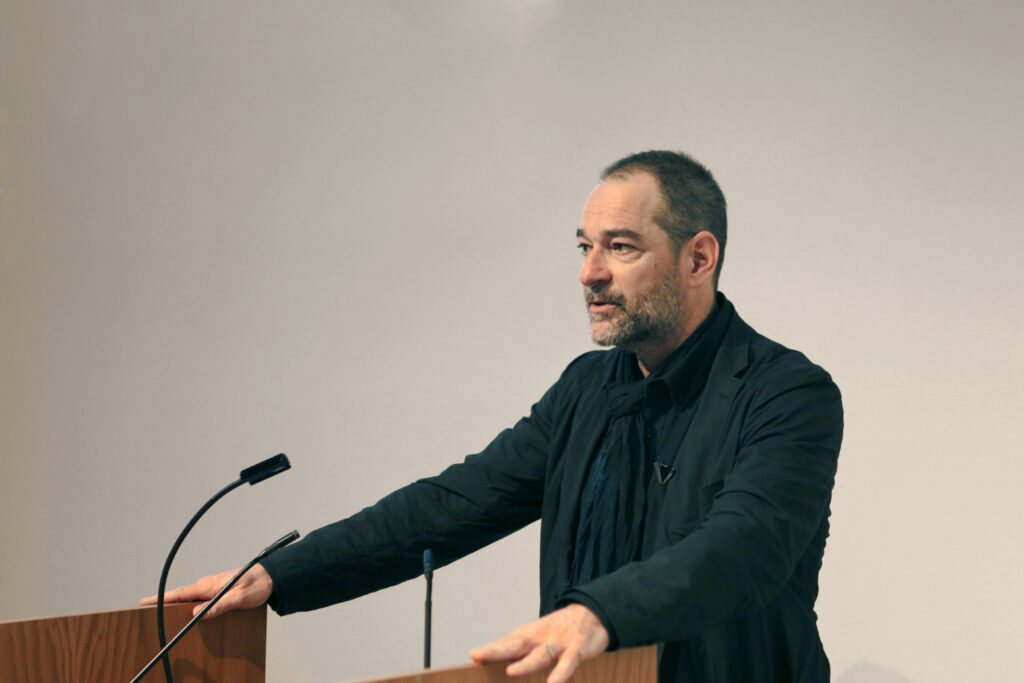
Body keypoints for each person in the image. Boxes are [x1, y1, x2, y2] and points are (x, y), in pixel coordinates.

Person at [144, 150, 843, 683]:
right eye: (585, 246)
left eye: (620, 246)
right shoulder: (585, 389)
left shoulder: (787, 393)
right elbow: (451, 504)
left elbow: (741, 546)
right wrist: (280, 574)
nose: (590, 273)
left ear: (699, 258)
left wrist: (599, 613)